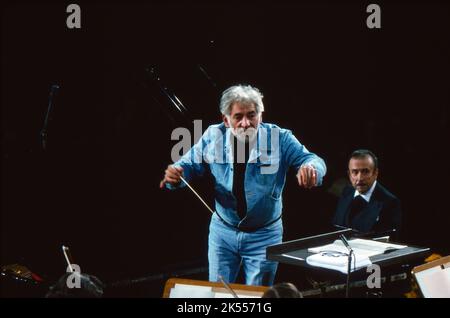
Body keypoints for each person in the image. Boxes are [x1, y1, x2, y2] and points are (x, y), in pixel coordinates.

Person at [160, 84, 326, 286]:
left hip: (265, 234)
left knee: (257, 298)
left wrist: (311, 169)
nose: (246, 123)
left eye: (252, 115)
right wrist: (175, 175)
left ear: (261, 116)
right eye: (238, 117)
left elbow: (313, 160)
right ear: (226, 120)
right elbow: (185, 165)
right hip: (223, 231)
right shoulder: (213, 136)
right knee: (218, 292)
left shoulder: (280, 137)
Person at [333, 149, 402, 237]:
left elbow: (390, 242)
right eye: (355, 172)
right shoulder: (346, 192)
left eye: (365, 172)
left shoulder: (390, 203)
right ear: (349, 174)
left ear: (375, 173)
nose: (360, 178)